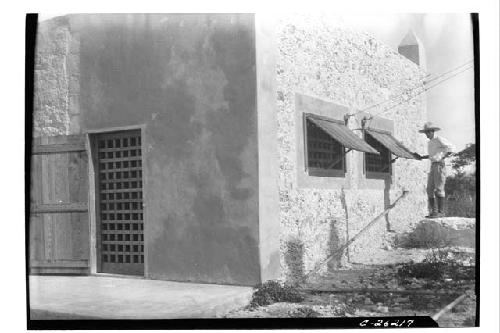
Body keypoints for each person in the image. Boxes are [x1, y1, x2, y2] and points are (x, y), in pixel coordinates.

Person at [413, 122, 455, 218]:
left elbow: (451, 147)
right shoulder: (430, 142)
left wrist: (443, 157)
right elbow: (433, 155)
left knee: (439, 189)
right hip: (433, 165)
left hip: (439, 165)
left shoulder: (439, 139)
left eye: (428, 132)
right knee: (429, 189)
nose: (426, 135)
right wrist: (421, 157)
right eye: (425, 133)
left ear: (432, 132)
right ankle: (433, 212)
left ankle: (441, 212)